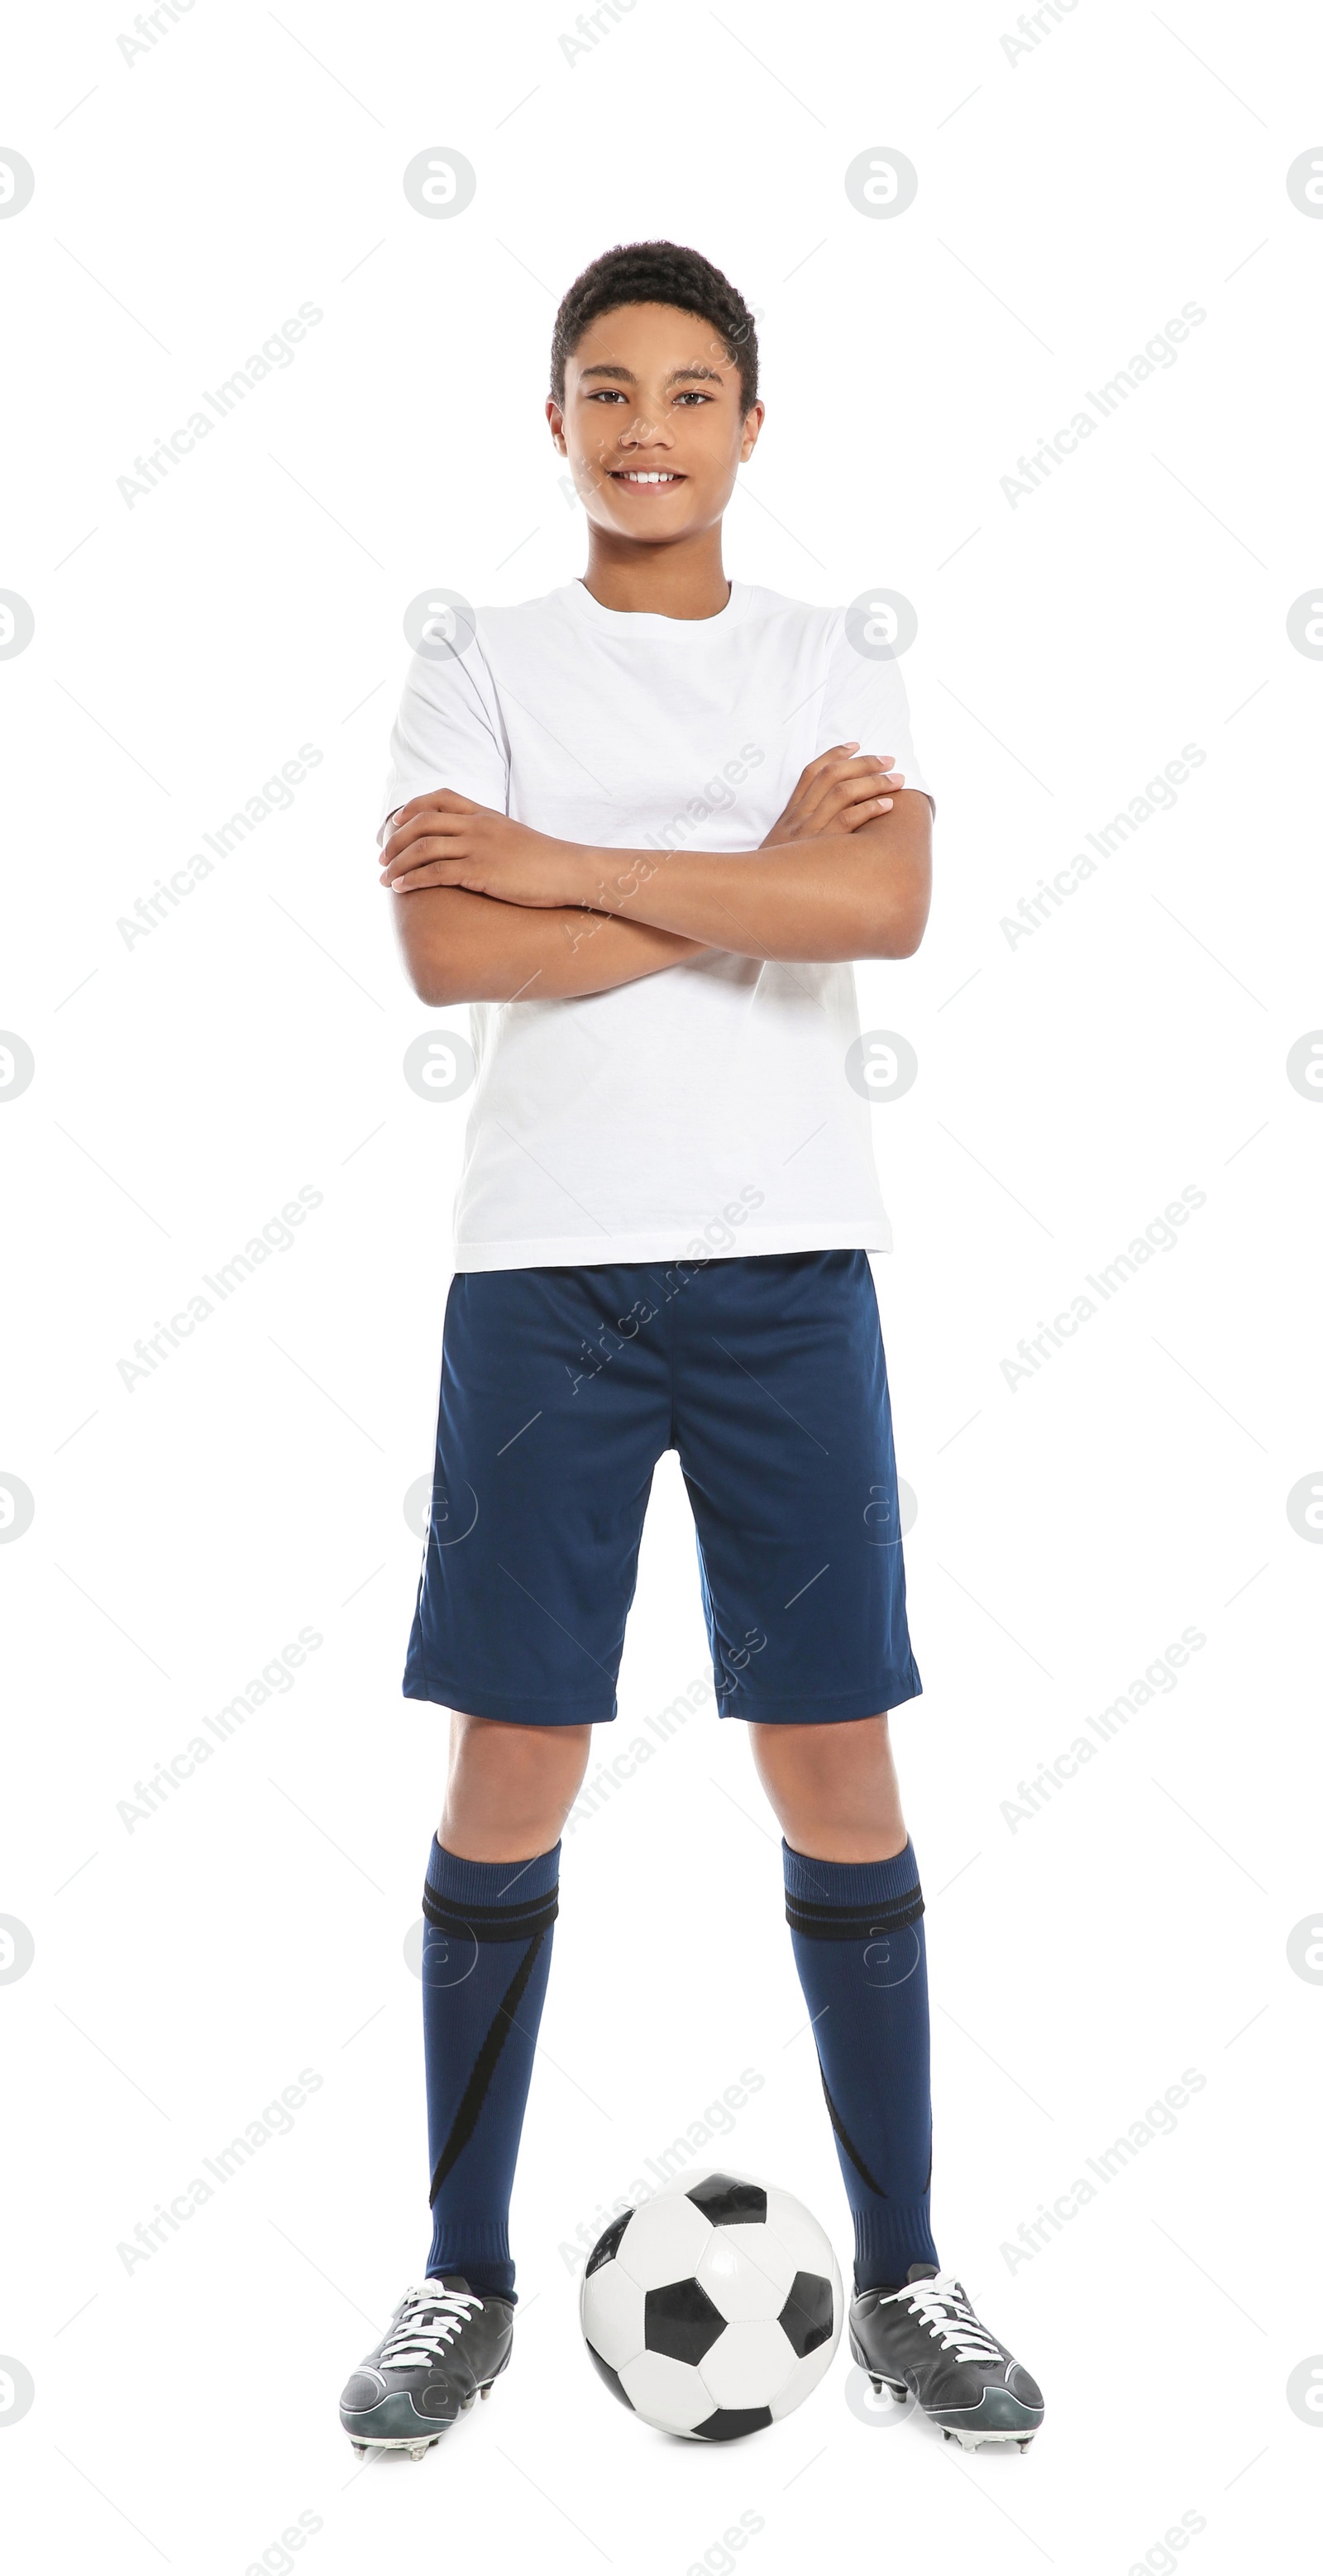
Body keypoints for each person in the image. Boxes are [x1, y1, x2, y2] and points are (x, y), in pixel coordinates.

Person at [337, 240, 1044, 2459]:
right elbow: (450, 941)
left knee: (838, 1769)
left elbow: (883, 910)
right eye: (607, 387)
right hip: (545, 1281)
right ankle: (461, 2274)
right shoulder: (477, 662)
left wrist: (581, 869)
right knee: (508, 1767)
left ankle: (912, 2270)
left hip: (785, 1279)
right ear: (554, 422)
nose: (648, 423)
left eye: (692, 389)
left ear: (752, 425)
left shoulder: (832, 654)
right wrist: (732, 875)